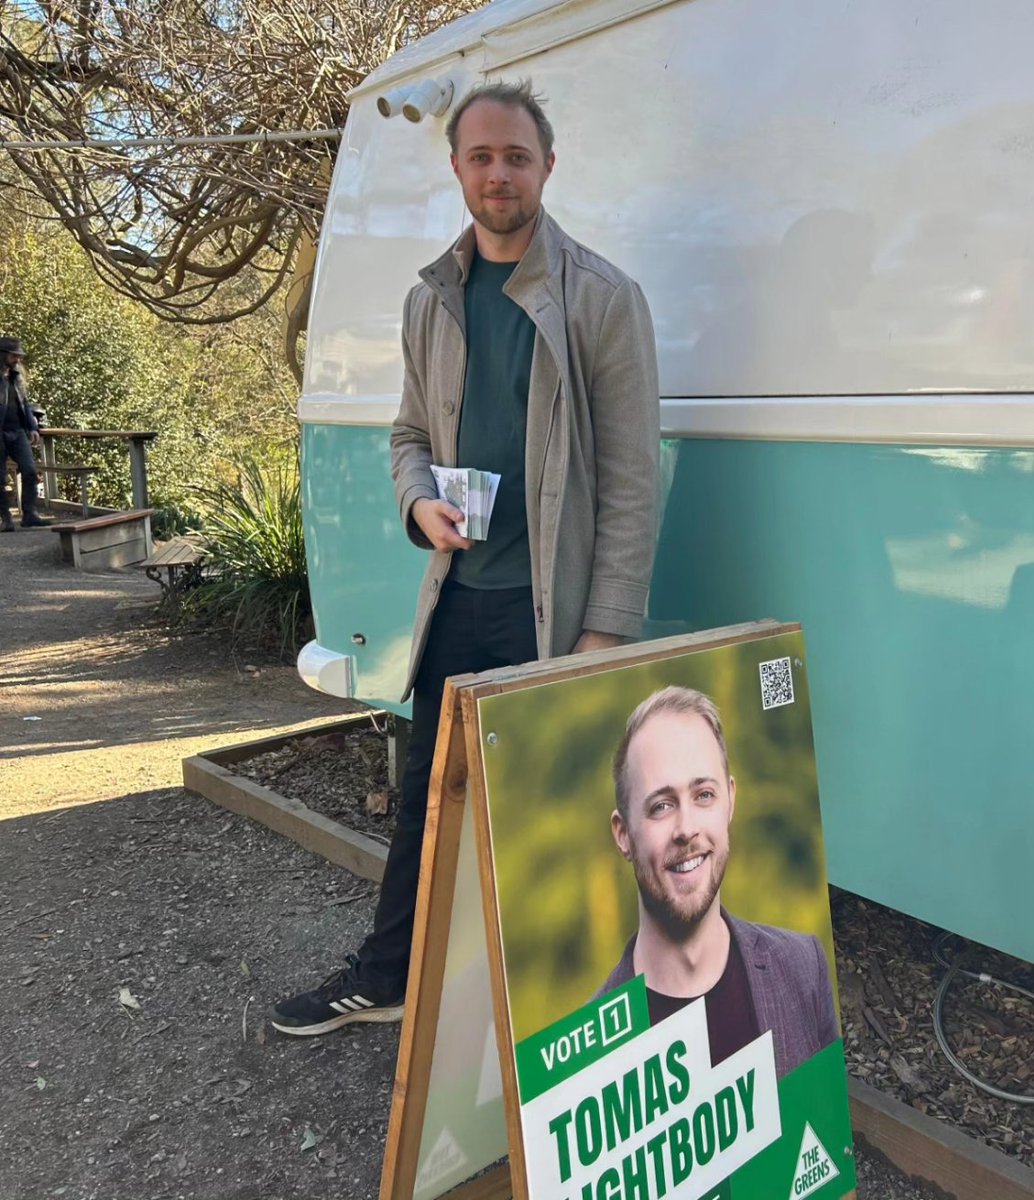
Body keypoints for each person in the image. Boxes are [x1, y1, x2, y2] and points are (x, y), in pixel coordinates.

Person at [272, 80, 660, 1036]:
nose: (498, 174)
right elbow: (408, 435)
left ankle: (567, 1014)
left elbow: (632, 482)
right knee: (429, 805)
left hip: (551, 615)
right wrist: (418, 504)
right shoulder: (430, 300)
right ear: (456, 168)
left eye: (516, 157)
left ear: (547, 169)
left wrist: (603, 630)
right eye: (481, 157)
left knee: (559, 812)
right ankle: (390, 974)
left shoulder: (604, 300)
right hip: (458, 597)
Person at [595, 687, 839, 1080]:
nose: (686, 828)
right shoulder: (591, 1055)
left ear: (731, 800)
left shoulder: (803, 966)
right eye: (661, 805)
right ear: (623, 834)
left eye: (704, 795)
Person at [0, 337, 50, 531]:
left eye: (19, 356)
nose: (18, 360)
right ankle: (6, 519)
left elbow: (25, 404)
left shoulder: (16, 377)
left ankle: (29, 514)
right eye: (14, 356)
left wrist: (32, 428)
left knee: (30, 471)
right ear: (3, 355)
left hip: (18, 431)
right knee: (0, 478)